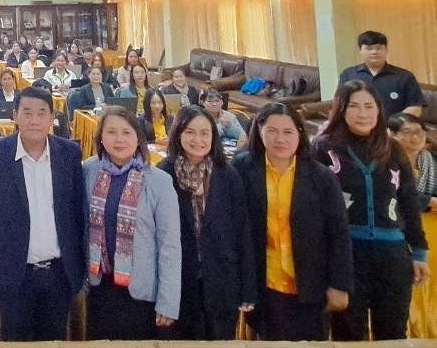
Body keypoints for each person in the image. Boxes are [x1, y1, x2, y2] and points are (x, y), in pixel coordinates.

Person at [312, 80, 428, 340]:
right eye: (354, 106)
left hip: (393, 257)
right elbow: (313, 210)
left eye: (369, 106)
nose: (362, 113)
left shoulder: (393, 148)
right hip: (346, 256)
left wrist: (420, 252)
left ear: (379, 109)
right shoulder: (323, 147)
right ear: (341, 110)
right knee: (349, 335)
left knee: (393, 334)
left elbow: (408, 202)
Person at [233, 102, 353, 341]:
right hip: (264, 284)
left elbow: (339, 233)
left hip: (310, 285)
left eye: (288, 132)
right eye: (272, 131)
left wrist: (340, 284)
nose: (280, 139)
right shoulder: (242, 169)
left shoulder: (321, 176)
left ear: (300, 134)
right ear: (259, 131)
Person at [0, 87, 87, 341]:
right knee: (15, 339)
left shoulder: (69, 154)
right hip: (14, 274)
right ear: (15, 115)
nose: (34, 120)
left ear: (52, 118)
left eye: (41, 113)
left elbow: (77, 211)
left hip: (59, 273)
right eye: (27, 112)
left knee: (54, 339)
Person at [83, 105, 181, 340]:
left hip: (140, 291)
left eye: (127, 132)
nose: (119, 139)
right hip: (99, 287)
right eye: (111, 132)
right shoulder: (88, 171)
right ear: (100, 137)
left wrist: (168, 302)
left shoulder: (159, 181)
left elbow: (169, 245)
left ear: (138, 138)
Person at [157, 105, 254, 339]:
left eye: (204, 133)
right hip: (180, 282)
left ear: (213, 136)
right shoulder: (163, 174)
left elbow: (242, 231)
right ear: (178, 134)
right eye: (190, 132)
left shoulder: (227, 174)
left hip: (222, 279)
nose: (198, 139)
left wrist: (247, 288)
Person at [338, 30, 425, 118]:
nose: (374, 52)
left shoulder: (405, 76)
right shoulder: (348, 75)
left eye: (379, 48)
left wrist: (395, 124)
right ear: (360, 51)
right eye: (369, 48)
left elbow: (415, 108)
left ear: (386, 50)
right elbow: (340, 104)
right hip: (359, 124)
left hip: (393, 125)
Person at [388, 113, 437, 211]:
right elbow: (393, 194)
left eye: (419, 132)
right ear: (392, 135)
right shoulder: (384, 161)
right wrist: (430, 201)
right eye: (407, 132)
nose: (415, 137)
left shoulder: (430, 158)